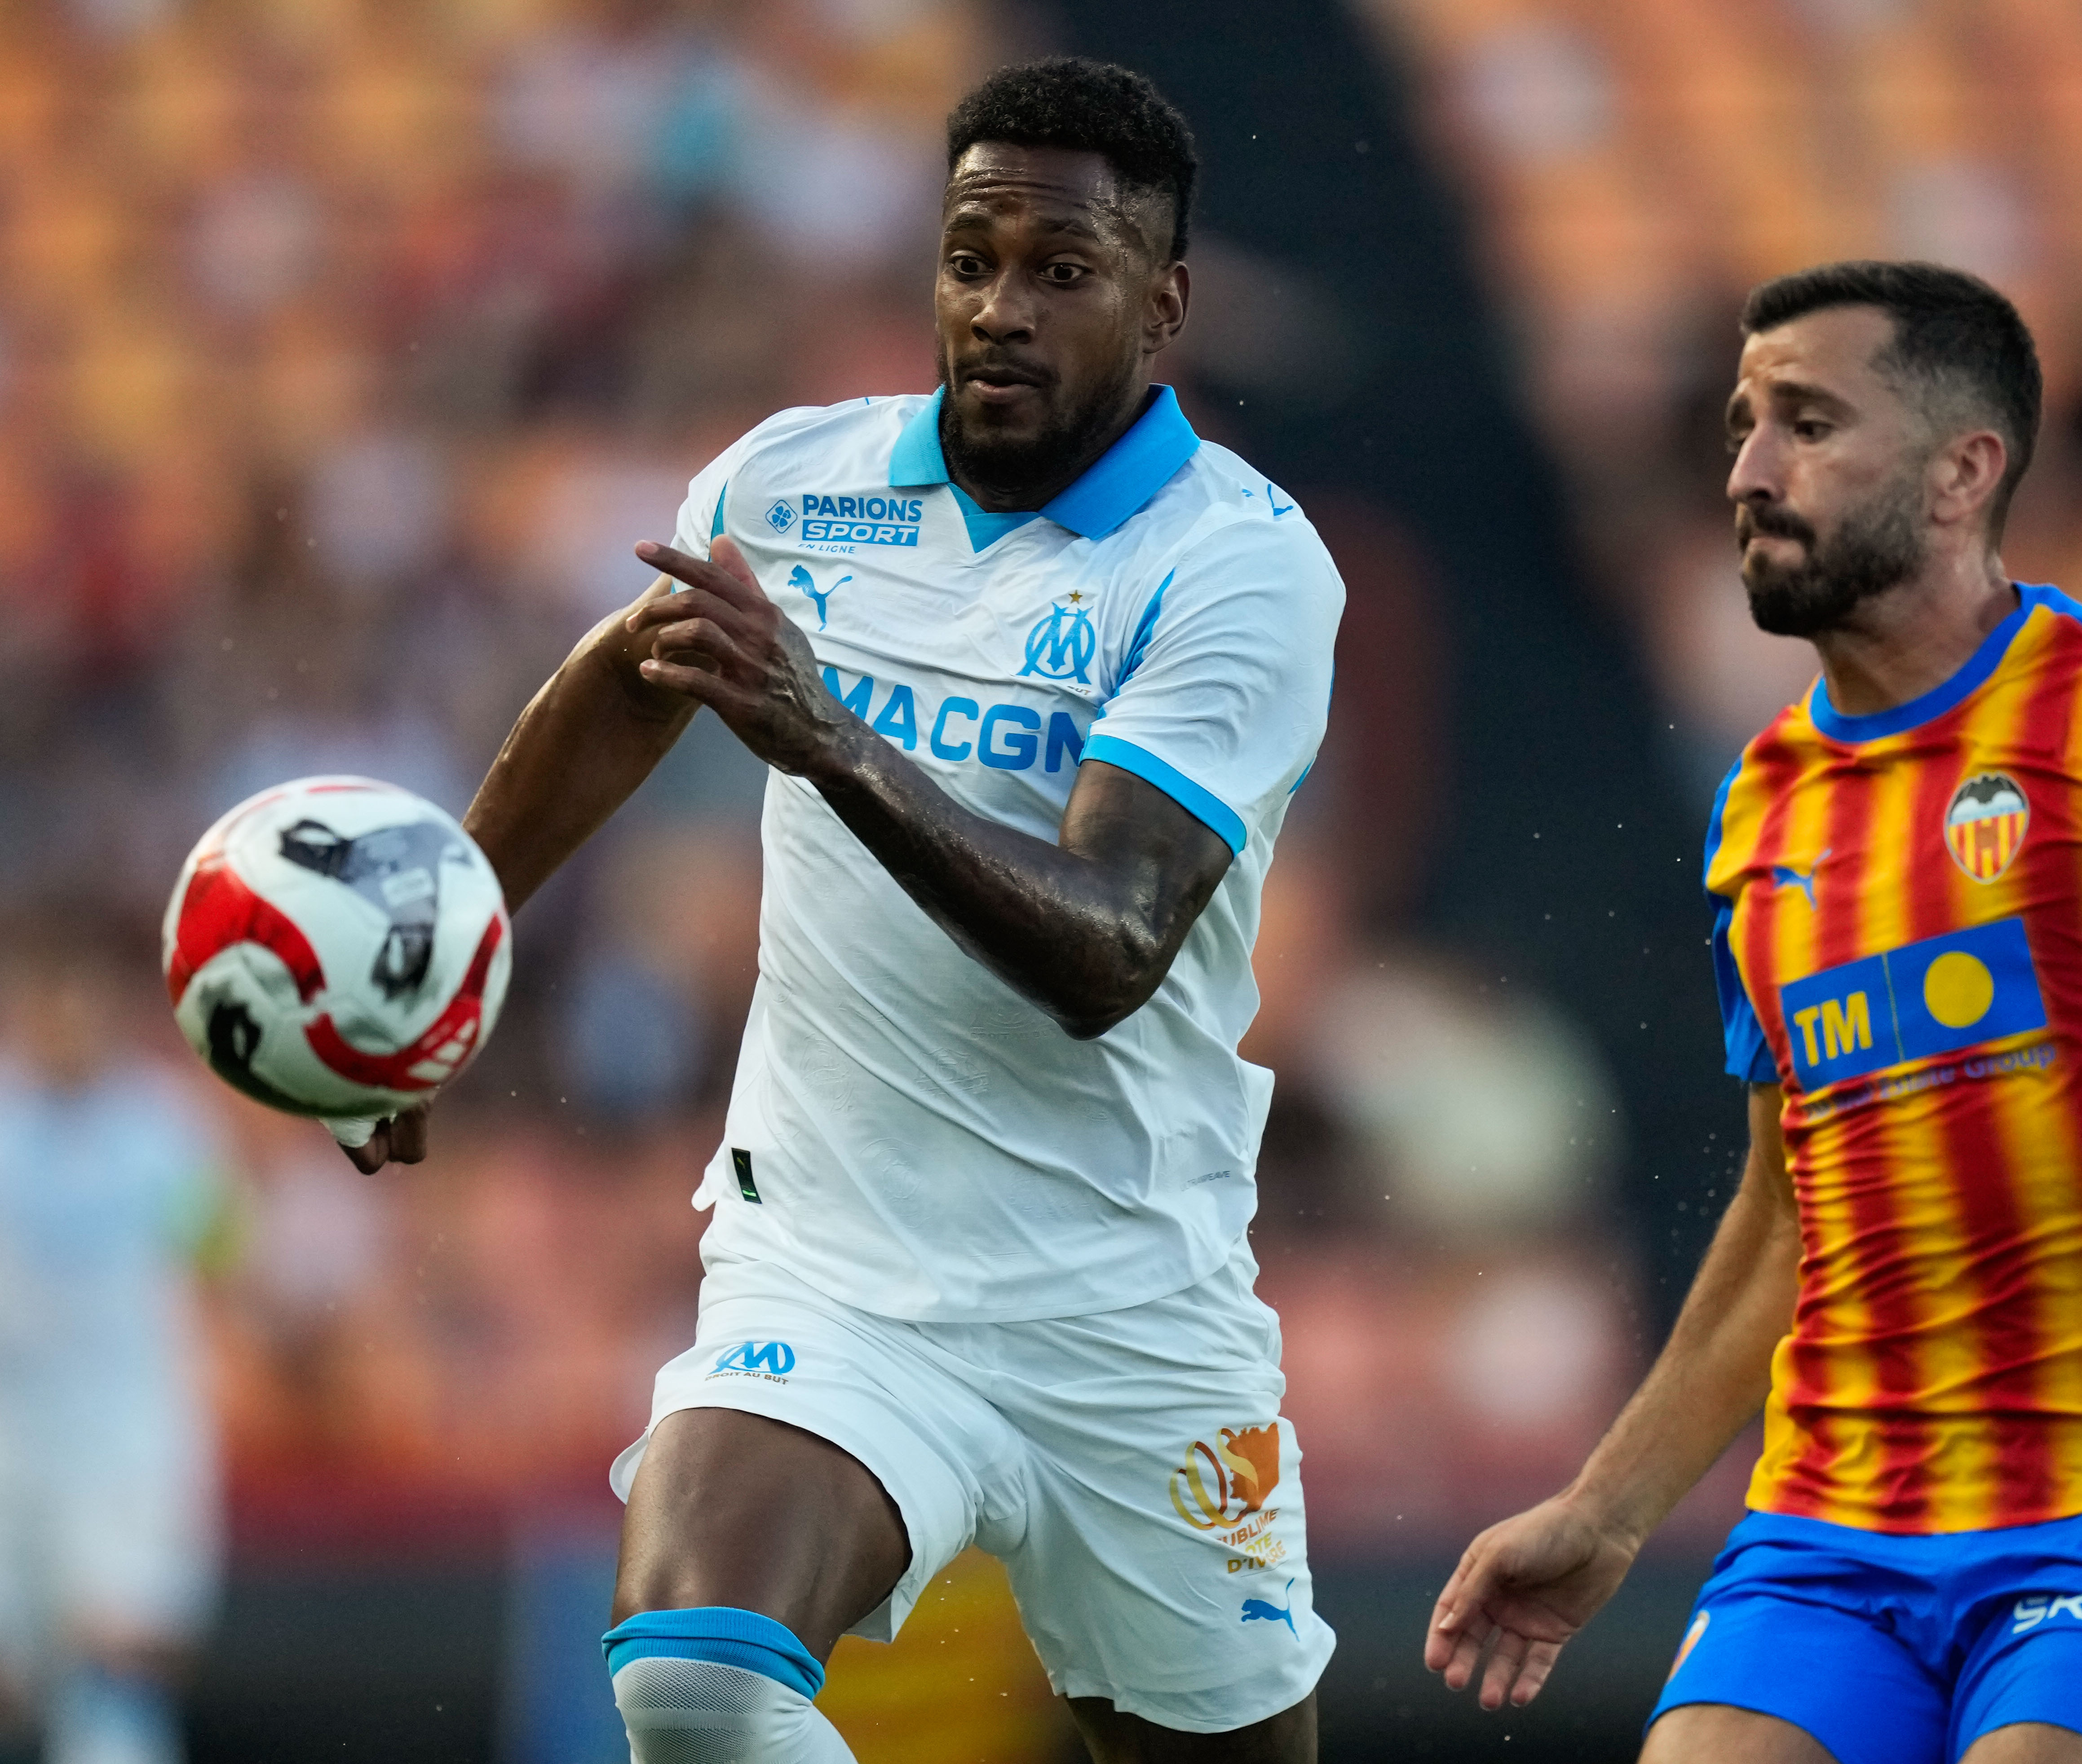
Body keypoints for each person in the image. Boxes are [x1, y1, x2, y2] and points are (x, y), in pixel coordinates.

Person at [340, 58, 1341, 1764]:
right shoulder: (802, 486)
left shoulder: (1234, 564)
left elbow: (1102, 947)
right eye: (969, 257)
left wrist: (826, 737)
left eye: (1061, 271)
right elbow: (631, 679)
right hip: (834, 1268)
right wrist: (447, 954)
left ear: (1162, 306)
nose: (998, 308)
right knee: (694, 1679)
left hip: (1124, 1308)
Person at [1423, 261, 2082, 1764]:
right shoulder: (1755, 807)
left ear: (1963, 469)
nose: (1747, 470)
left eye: (1806, 424)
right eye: (1738, 425)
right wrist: (1605, 1504)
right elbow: (1784, 1209)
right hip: (1839, 1517)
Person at [0, 935, 227, 1764]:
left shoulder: (168, 1128)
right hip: (11, 1433)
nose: (67, 1017)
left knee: (120, 1668)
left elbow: (221, 1260)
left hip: (128, 1436)